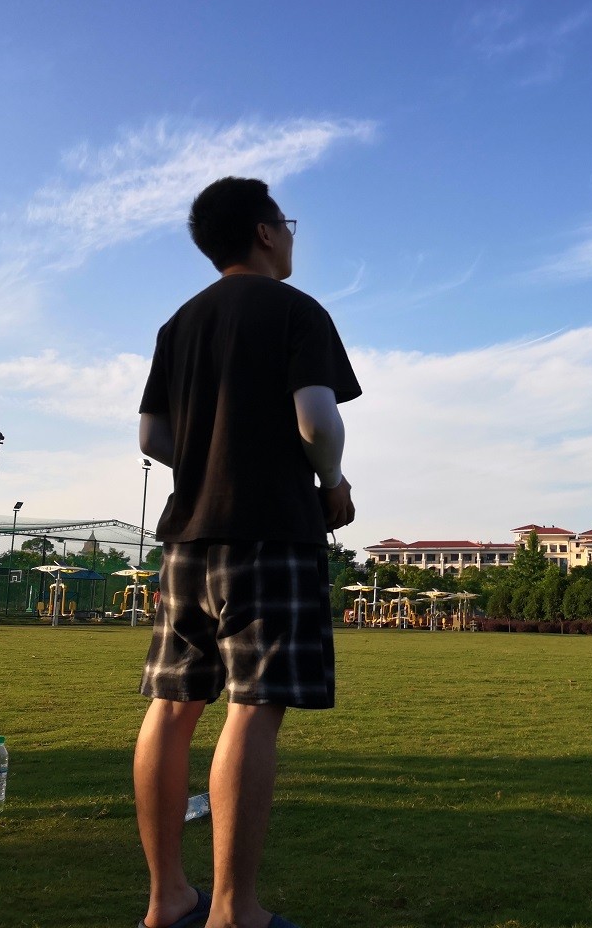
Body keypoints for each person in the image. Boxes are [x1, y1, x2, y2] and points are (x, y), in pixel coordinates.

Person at [134, 177, 360, 928]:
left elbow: (152, 438)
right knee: (254, 708)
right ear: (265, 233)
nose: (292, 237)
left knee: (173, 708)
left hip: (187, 537)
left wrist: (208, 459)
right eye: (286, 224)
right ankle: (235, 912)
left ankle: (167, 899)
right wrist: (332, 481)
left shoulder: (180, 323)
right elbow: (316, 416)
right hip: (269, 531)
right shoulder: (296, 310)